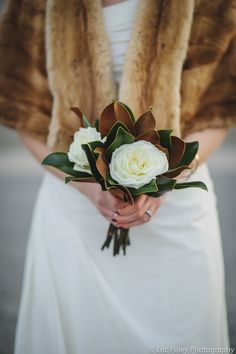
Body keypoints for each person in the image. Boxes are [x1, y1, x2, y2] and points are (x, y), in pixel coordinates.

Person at [0, 0, 235, 353]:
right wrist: (89, 188)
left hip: (176, 212)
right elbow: (24, 112)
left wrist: (166, 180)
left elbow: (216, 112)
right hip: (76, 211)